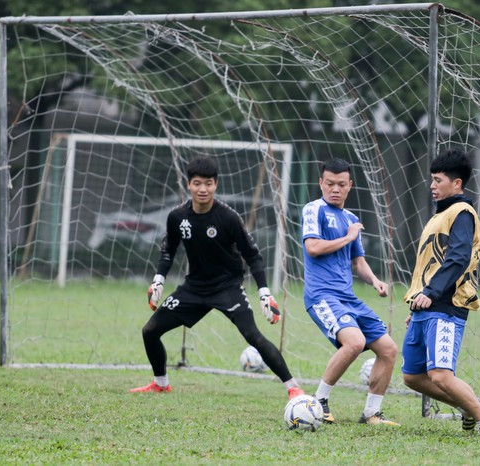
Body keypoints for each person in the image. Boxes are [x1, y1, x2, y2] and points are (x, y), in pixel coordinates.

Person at [130, 155, 305, 400]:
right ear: (189, 185)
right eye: (198, 183)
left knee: (252, 336)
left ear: (216, 185)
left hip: (227, 288)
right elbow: (168, 250)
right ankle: (160, 383)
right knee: (150, 330)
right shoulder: (177, 217)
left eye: (209, 183)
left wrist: (264, 292)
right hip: (194, 288)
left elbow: (253, 256)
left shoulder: (228, 218)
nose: (203, 189)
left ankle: (293, 388)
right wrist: (159, 278)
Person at [402, 148, 480, 439]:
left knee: (441, 375)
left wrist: (431, 293)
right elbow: (430, 264)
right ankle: (468, 408)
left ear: (457, 184)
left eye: (438, 180)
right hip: (426, 306)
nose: (432, 185)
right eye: (431, 179)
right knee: (413, 377)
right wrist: (418, 305)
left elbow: (457, 258)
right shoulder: (441, 215)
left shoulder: (462, 213)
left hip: (445, 307)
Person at [301, 158, 398, 426]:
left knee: (388, 349)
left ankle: (371, 413)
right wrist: (348, 236)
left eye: (341, 184)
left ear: (349, 186)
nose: (335, 189)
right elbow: (313, 248)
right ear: (320, 183)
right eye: (329, 183)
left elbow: (358, 262)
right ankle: (318, 402)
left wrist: (375, 280)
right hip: (322, 295)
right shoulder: (314, 209)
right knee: (354, 342)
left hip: (348, 298)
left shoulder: (351, 218)